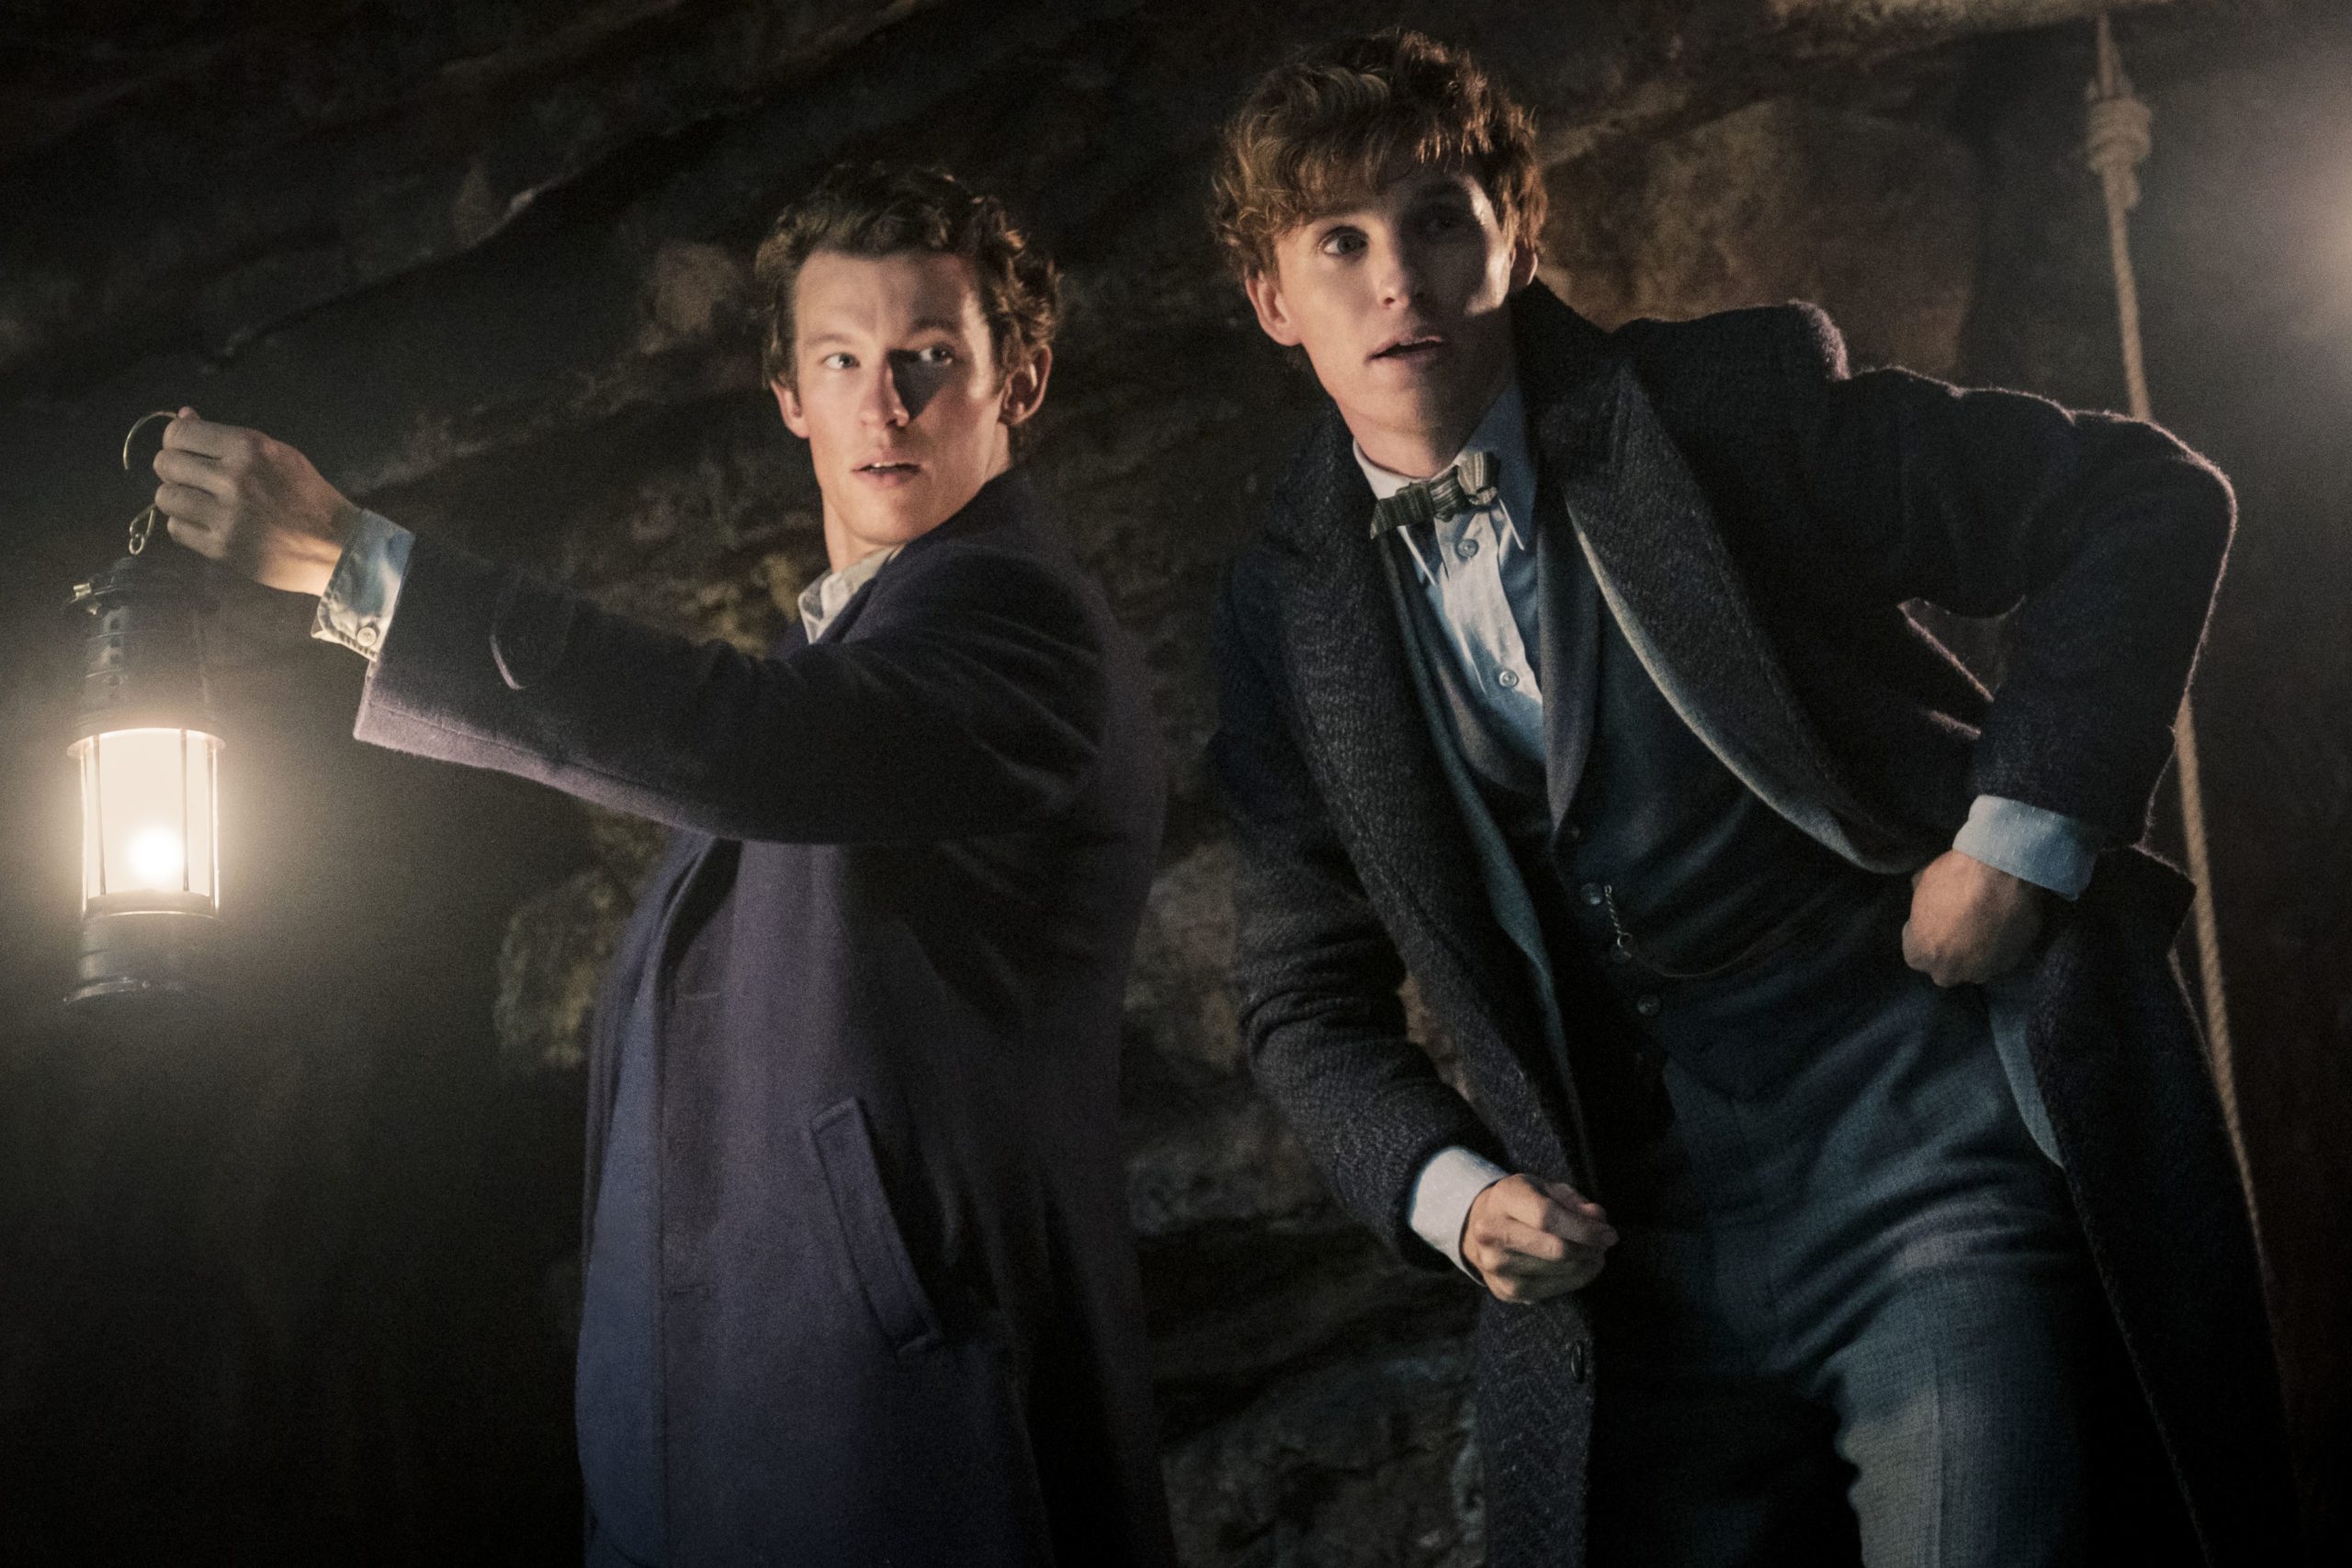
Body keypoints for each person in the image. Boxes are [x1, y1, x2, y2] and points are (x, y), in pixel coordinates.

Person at [1208, 29, 2292, 1567]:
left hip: (1922, 1169)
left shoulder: (1724, 409)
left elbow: (2140, 500)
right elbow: (1303, 999)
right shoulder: (1283, 611)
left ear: (1517, 238)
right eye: (1339, 242)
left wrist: (2018, 841)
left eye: (1439, 218)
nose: (1399, 280)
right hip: (1638, 1269)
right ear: (1272, 299)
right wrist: (1452, 1194)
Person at [153, 163, 1176, 1568]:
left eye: (930, 357)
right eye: (842, 359)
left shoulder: (1018, 622)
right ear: (789, 397)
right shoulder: (845, 647)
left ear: (1022, 381)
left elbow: (739, 737)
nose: (884, 403)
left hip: (893, 1446)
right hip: (736, 1448)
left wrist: (359, 568)